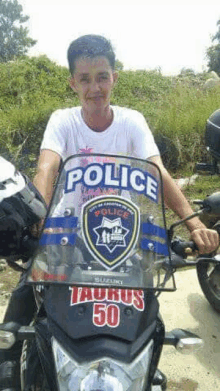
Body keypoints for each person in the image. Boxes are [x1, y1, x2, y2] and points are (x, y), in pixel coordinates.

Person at [0, 34, 218, 391]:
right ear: (73, 83)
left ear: (115, 77)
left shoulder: (131, 123)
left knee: (147, 319)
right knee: (26, 294)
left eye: (102, 76)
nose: (95, 87)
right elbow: (47, 169)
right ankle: (8, 368)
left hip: (124, 241)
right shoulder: (63, 122)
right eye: (85, 79)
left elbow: (156, 172)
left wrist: (193, 224)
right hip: (67, 239)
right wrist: (37, 217)